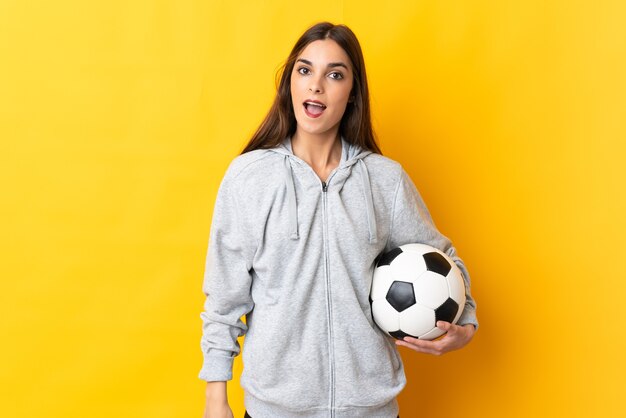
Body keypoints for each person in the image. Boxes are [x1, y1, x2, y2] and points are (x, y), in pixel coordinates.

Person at [199, 21, 479, 418]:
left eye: (334, 75)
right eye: (304, 70)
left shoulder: (384, 180)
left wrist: (464, 328)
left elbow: (446, 260)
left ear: (352, 94)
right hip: (274, 410)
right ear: (290, 85)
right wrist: (216, 397)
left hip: (371, 408)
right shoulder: (249, 178)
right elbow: (224, 298)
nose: (316, 85)